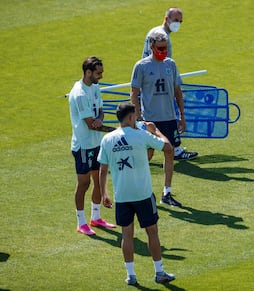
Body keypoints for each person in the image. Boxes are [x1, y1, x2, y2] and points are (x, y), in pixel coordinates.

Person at [98, 103, 175, 285]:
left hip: (122, 196)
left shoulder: (108, 139)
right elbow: (168, 148)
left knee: (127, 235)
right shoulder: (142, 135)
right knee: (152, 232)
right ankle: (159, 272)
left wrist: (104, 194)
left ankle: (131, 275)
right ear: (131, 117)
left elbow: (102, 169)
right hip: (143, 194)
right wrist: (155, 131)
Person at [131, 30, 186, 207]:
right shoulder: (141, 66)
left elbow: (178, 91)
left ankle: (166, 193)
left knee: (169, 152)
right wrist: (138, 117)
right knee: (147, 155)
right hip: (151, 120)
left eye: (165, 48)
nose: (163, 51)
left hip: (169, 118)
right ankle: (137, 189)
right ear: (152, 47)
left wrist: (182, 116)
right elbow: (134, 92)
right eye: (160, 48)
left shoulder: (171, 64)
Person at [141, 7, 198, 161]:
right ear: (167, 19)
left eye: (180, 21)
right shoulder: (160, 35)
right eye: (175, 20)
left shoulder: (160, 33)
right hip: (156, 81)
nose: (178, 23)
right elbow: (155, 60)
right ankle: (172, 149)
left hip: (157, 78)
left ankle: (175, 148)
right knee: (160, 115)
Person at [68, 56, 116, 236]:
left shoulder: (95, 87)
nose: (101, 76)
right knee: (84, 183)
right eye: (98, 73)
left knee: (98, 180)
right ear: (88, 72)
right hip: (83, 146)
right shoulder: (79, 94)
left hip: (96, 143)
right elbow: (89, 123)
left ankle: (95, 218)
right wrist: (116, 131)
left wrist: (100, 120)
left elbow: (100, 111)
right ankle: (81, 222)